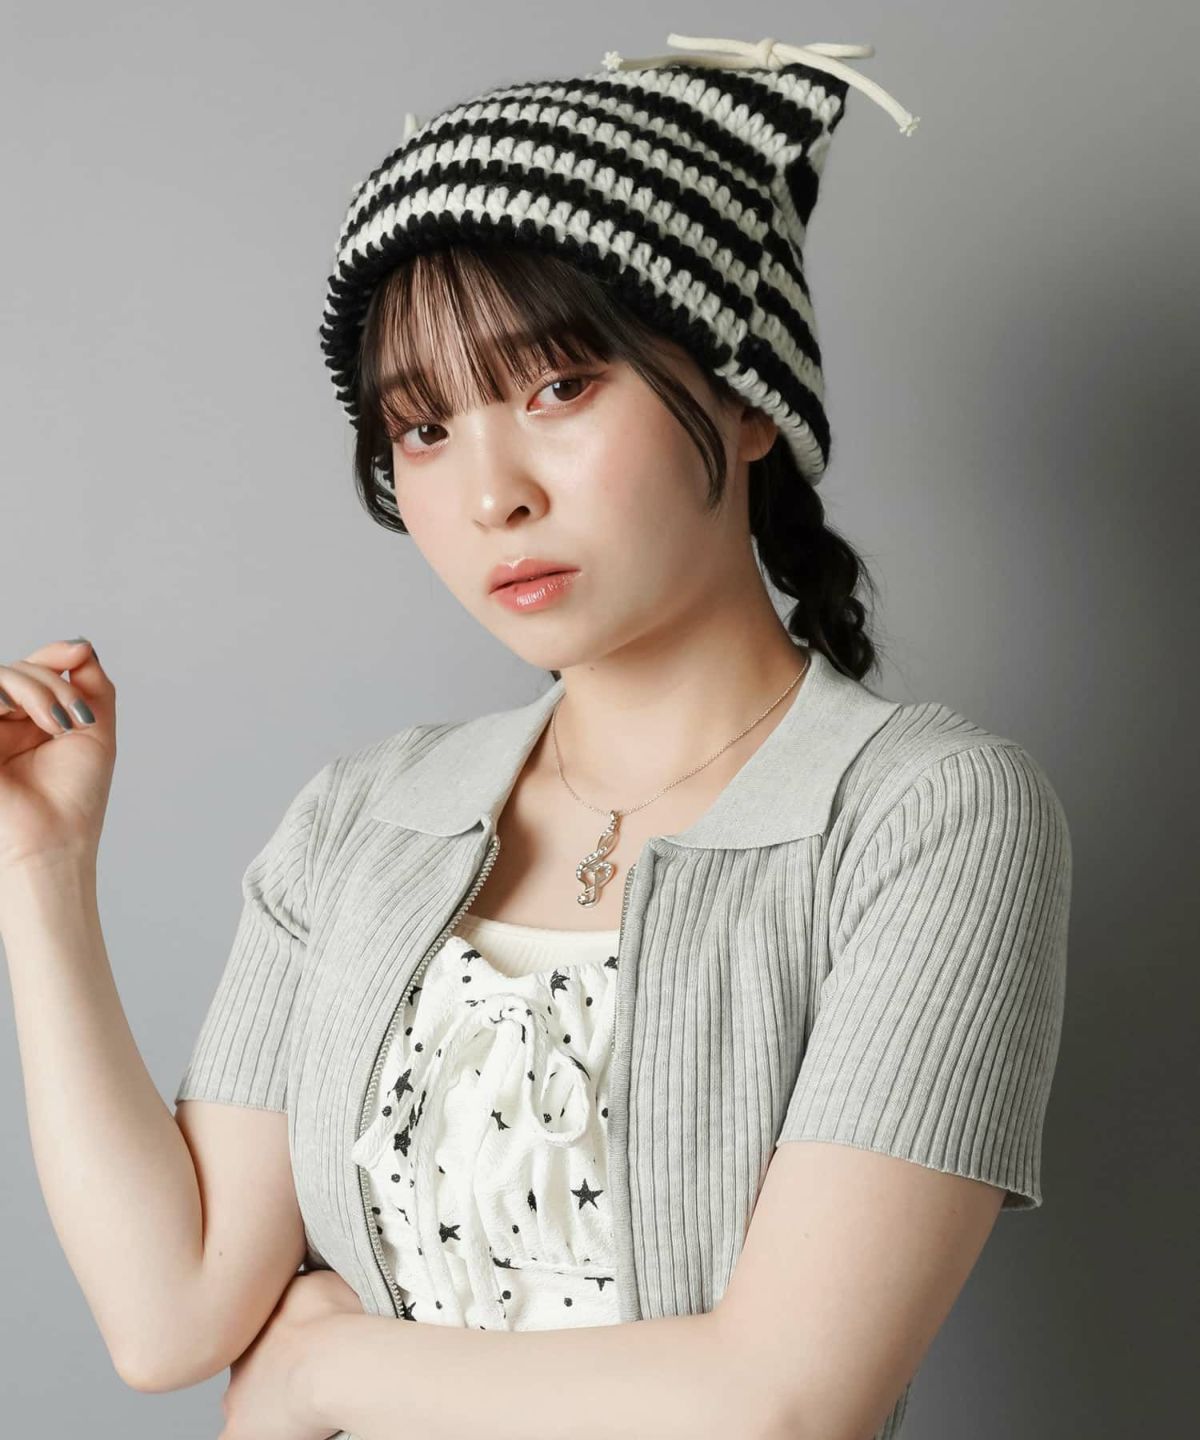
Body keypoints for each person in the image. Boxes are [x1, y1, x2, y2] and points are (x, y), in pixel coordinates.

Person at [0, 33, 1071, 1440]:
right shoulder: (366, 816)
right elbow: (171, 1317)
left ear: (745, 397)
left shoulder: (925, 814)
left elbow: (789, 1399)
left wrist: (324, 1368)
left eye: (560, 387)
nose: (490, 492)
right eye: (422, 428)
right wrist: (40, 868)